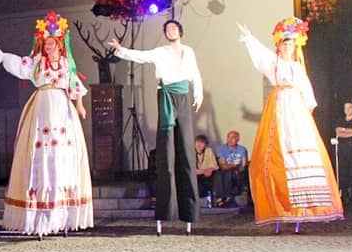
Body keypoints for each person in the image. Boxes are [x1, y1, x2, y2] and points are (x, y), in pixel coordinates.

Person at [0, 11, 93, 237]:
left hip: (62, 108)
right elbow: (19, 65)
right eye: (46, 44)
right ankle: (40, 217)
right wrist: (1, 55)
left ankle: (62, 216)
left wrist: (80, 105)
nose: (49, 47)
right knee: (40, 154)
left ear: (59, 44)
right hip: (42, 106)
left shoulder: (66, 64)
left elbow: (74, 84)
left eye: (52, 43)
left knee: (62, 156)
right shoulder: (37, 62)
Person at [235, 18, 343, 231]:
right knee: (275, 149)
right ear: (279, 46)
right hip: (278, 104)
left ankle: (303, 208)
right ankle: (278, 207)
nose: (287, 47)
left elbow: (306, 90)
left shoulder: (297, 67)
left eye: (291, 44)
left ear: (294, 47)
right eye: (284, 44)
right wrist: (249, 37)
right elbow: (260, 54)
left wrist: (308, 108)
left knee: (300, 150)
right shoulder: (274, 63)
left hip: (295, 107)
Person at [105, 19, 203, 236]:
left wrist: (198, 94)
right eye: (167, 29)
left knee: (186, 147)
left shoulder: (188, 51)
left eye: (174, 28)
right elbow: (141, 56)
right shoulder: (160, 52)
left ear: (180, 31)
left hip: (183, 95)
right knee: (166, 148)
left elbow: (195, 74)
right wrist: (121, 50)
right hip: (166, 94)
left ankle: (189, 212)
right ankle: (166, 210)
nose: (171, 31)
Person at [334, 100, 352, 204]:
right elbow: (338, 133)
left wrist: (345, 130)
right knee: (343, 171)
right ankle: (344, 194)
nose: (347, 110)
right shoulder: (340, 120)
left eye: (349, 107)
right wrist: (351, 132)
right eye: (345, 108)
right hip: (343, 149)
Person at [215, 130, 249, 208]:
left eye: (233, 137)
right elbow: (223, 166)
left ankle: (227, 198)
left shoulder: (242, 149)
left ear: (238, 139)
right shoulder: (221, 149)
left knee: (241, 173)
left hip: (239, 171)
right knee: (225, 173)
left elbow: (243, 164)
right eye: (228, 137)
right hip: (225, 171)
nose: (230, 140)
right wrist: (234, 166)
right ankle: (225, 198)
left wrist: (237, 169)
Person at [193, 134, 219, 206]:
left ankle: (218, 199)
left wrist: (210, 170)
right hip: (196, 175)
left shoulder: (208, 151)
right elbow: (191, 170)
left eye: (202, 143)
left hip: (208, 174)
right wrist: (204, 171)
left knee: (217, 175)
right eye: (198, 142)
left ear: (205, 145)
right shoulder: (190, 152)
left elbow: (215, 166)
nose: (199, 144)